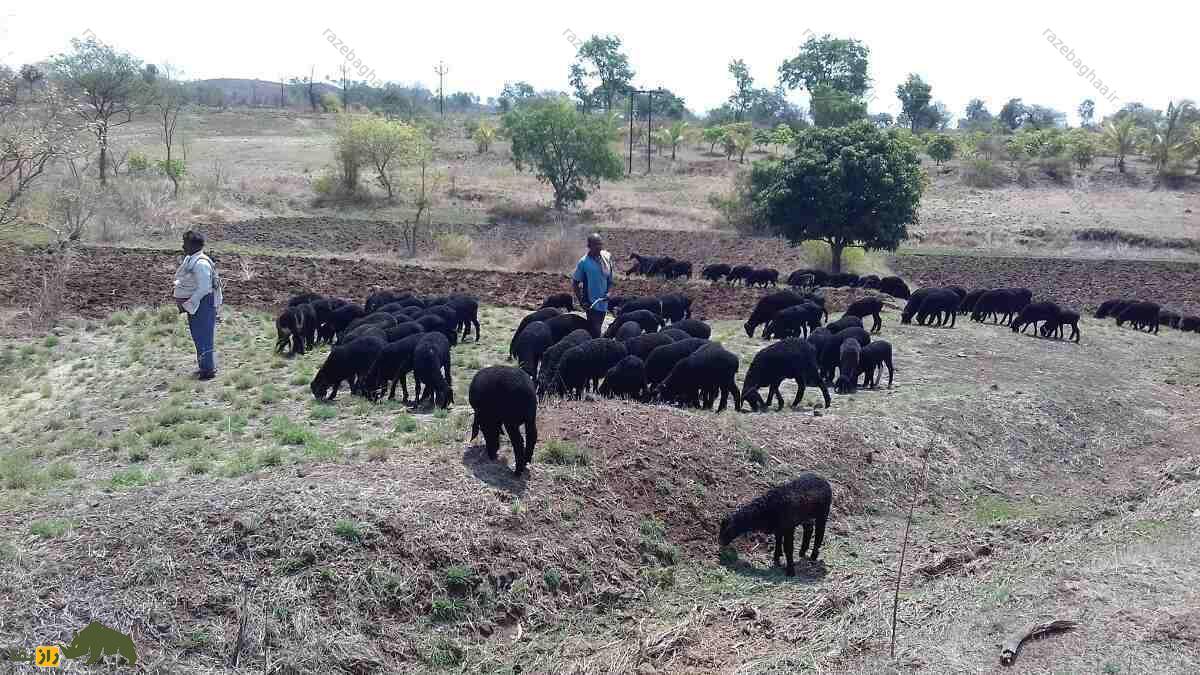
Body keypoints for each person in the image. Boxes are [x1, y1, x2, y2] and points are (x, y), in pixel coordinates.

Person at [173, 230, 223, 380]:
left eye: (185, 243)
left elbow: (205, 288)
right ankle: (204, 366)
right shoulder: (192, 259)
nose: (183, 246)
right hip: (199, 303)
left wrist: (190, 303)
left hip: (204, 303)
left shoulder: (200, 263)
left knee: (204, 336)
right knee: (198, 335)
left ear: (193, 245)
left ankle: (208, 370)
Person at [572, 233, 614, 338]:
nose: (599, 247)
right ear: (589, 246)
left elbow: (610, 280)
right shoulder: (584, 262)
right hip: (591, 303)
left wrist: (609, 292)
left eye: (600, 244)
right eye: (596, 245)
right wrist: (581, 301)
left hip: (603, 302)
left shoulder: (605, 259)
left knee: (596, 329)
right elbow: (575, 283)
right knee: (595, 330)